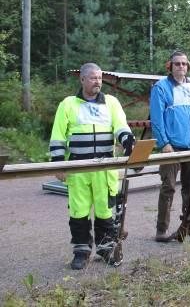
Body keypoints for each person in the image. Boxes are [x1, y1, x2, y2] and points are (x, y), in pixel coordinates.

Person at [49, 62, 135, 270]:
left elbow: (121, 126)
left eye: (99, 78)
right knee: (78, 211)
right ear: (82, 80)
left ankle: (105, 250)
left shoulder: (111, 103)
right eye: (93, 78)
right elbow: (58, 136)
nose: (98, 82)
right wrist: (58, 164)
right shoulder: (68, 104)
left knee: (105, 211)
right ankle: (81, 252)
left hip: (105, 167)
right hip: (78, 167)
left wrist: (128, 142)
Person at [150, 51, 190, 242]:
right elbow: (156, 119)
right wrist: (164, 142)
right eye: (177, 64)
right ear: (170, 66)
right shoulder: (160, 88)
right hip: (172, 147)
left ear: (188, 66)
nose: (181, 67)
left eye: (184, 64)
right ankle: (161, 229)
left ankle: (188, 223)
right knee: (168, 187)